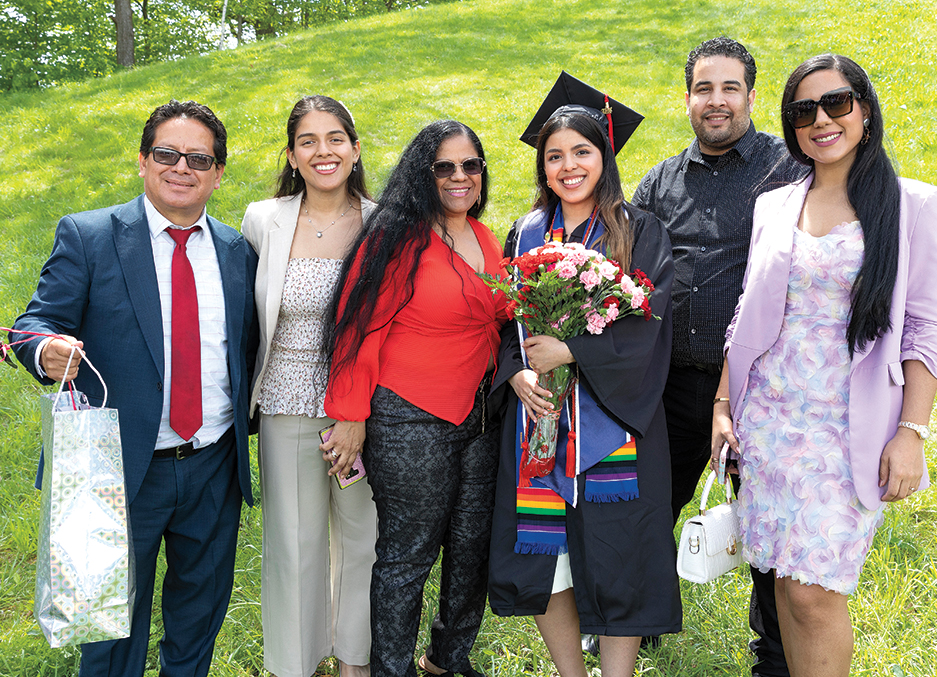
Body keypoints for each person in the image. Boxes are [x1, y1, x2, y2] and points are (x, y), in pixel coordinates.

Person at [10, 100, 258, 677]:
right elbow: (33, 323)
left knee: (198, 621)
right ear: (144, 162)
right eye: (167, 154)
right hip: (114, 469)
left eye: (200, 158)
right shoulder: (90, 235)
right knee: (110, 632)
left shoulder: (235, 251)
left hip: (213, 466)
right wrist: (43, 350)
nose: (182, 168)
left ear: (218, 172)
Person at [711, 54, 937, 677]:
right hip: (770, 424)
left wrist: (912, 432)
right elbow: (747, 317)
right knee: (784, 582)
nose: (821, 120)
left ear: (864, 109)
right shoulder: (775, 205)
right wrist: (724, 405)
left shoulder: (913, 206)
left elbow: (925, 330)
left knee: (815, 592)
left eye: (837, 103)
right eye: (803, 110)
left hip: (846, 431)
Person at [487, 75, 680, 677]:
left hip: (615, 426)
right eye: (554, 156)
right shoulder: (523, 232)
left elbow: (653, 318)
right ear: (542, 166)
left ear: (606, 157)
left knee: (619, 552)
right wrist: (517, 371)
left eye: (582, 152)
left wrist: (571, 352)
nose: (568, 167)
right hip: (537, 422)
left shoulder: (636, 229)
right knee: (546, 553)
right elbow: (500, 320)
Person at [631, 37, 804, 675]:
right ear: (687, 99)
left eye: (730, 88)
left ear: (752, 98)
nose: (717, 101)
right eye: (705, 88)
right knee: (650, 503)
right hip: (673, 382)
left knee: (764, 525)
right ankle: (639, 623)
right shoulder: (660, 181)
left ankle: (777, 657)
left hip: (760, 387)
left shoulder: (787, 169)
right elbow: (622, 261)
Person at [321, 119, 508, 677]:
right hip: (410, 419)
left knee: (471, 545)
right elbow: (357, 331)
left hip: (480, 416)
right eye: (444, 167)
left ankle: (448, 660)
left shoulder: (486, 236)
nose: (458, 177)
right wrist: (351, 417)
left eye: (470, 165)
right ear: (422, 174)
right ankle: (392, 669)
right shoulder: (395, 237)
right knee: (409, 556)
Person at [241, 95, 377, 677]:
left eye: (335, 139)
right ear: (292, 155)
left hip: (364, 412)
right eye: (308, 141)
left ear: (354, 148)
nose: (323, 151)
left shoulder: (383, 222)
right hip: (285, 404)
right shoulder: (261, 220)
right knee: (294, 547)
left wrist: (359, 415)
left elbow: (390, 325)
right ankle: (295, 665)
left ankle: (355, 662)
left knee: (363, 543)